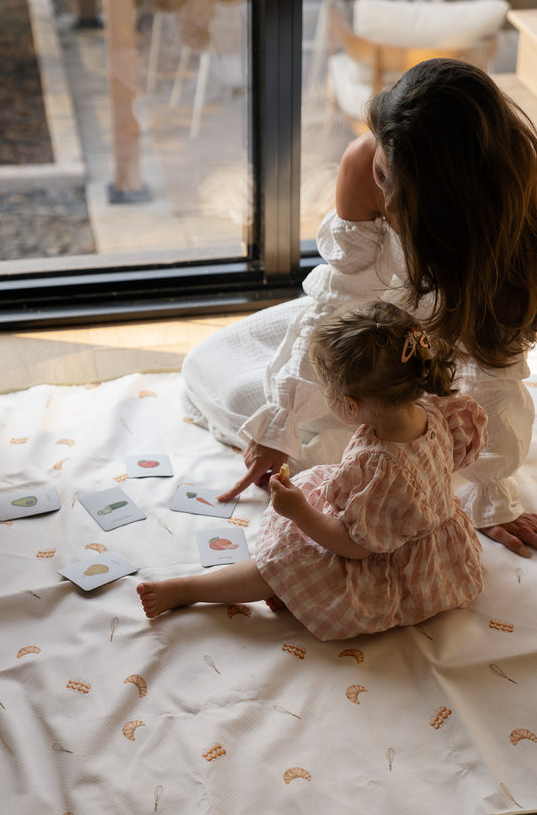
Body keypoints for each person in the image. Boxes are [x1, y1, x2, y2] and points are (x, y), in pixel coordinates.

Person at [181, 59, 537, 558]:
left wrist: (493, 492)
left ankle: (427, 448)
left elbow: (495, 370)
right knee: (213, 367)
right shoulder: (364, 161)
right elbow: (338, 305)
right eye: (381, 173)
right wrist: (281, 420)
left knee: (357, 461)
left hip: (450, 360)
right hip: (366, 329)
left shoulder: (512, 211)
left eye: (397, 186)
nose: (384, 198)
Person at [139, 302, 488, 641]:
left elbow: (357, 548)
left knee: (281, 563)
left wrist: (300, 512)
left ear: (350, 405)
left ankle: (189, 590)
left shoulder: (384, 467)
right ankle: (289, 592)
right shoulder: (433, 409)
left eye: (327, 393)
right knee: (302, 525)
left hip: (390, 562)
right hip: (427, 542)